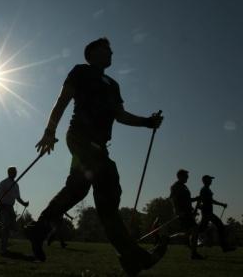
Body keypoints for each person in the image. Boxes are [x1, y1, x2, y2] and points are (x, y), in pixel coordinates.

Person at [25, 38, 166, 275]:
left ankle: (40, 230)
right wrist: (50, 131)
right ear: (91, 54)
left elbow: (120, 116)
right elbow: (63, 100)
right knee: (90, 182)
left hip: (100, 146)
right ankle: (134, 257)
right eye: (105, 50)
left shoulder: (113, 84)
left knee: (95, 195)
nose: (111, 53)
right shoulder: (80, 72)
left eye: (111, 50)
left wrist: (147, 122)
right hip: (79, 138)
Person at [169, 169, 203, 259]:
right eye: (186, 176)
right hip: (182, 213)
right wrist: (177, 211)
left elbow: (187, 200)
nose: (187, 178)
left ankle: (167, 239)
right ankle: (193, 254)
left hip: (188, 211)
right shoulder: (175, 186)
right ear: (180, 176)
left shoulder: (184, 186)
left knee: (188, 233)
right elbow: (173, 200)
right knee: (194, 230)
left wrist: (196, 199)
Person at [197, 175, 235, 252]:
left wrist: (221, 204)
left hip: (208, 212)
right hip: (207, 213)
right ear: (206, 181)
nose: (211, 181)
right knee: (219, 226)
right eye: (210, 179)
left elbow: (209, 200)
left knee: (201, 228)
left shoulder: (207, 189)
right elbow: (209, 201)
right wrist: (221, 204)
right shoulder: (204, 190)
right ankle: (224, 247)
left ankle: (224, 247)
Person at [0, 166, 29, 255]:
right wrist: (0, 204)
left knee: (14, 227)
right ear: (9, 173)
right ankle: (3, 248)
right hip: (3, 206)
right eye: (13, 172)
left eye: (15, 172)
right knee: (6, 226)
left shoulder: (16, 185)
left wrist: (24, 203)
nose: (15, 173)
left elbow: (18, 198)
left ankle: (0, 234)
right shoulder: (4, 183)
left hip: (10, 207)